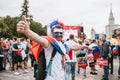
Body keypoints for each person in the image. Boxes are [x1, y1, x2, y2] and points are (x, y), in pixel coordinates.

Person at [17, 16, 90, 80]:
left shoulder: (62, 45)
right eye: (56, 33)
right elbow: (39, 39)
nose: (59, 35)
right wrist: (27, 32)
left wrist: (85, 46)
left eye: (61, 33)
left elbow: (73, 47)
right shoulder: (50, 43)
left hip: (60, 76)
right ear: (52, 33)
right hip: (50, 77)